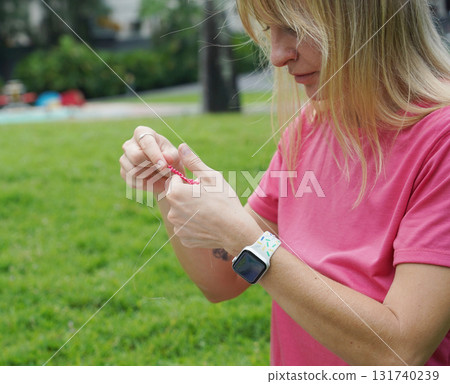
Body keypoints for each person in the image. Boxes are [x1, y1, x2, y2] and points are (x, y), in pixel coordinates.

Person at [120, 0, 450, 365]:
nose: (277, 55)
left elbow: (399, 352)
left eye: (293, 27)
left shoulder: (441, 143)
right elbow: (222, 281)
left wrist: (245, 238)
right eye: (269, 30)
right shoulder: (313, 125)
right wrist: (168, 182)